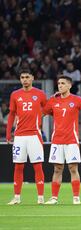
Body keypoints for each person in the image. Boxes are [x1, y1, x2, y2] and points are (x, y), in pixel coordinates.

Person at [43, 75, 81, 205]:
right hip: (57, 140)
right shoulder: (54, 101)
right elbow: (43, 112)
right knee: (57, 169)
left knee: (73, 168)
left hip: (71, 140)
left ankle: (76, 197)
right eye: (59, 83)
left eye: (63, 83)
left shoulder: (77, 100)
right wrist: (51, 98)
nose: (60, 85)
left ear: (69, 85)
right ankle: (54, 198)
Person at [7, 69, 47, 205]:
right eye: (22, 77)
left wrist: (39, 120)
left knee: (38, 166)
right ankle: (17, 197)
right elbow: (12, 114)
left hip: (35, 135)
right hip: (19, 136)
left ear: (32, 78)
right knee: (18, 166)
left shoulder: (40, 94)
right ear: (20, 79)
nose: (24, 79)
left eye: (27, 77)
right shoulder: (15, 94)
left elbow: (47, 109)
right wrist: (8, 133)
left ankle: (40, 197)